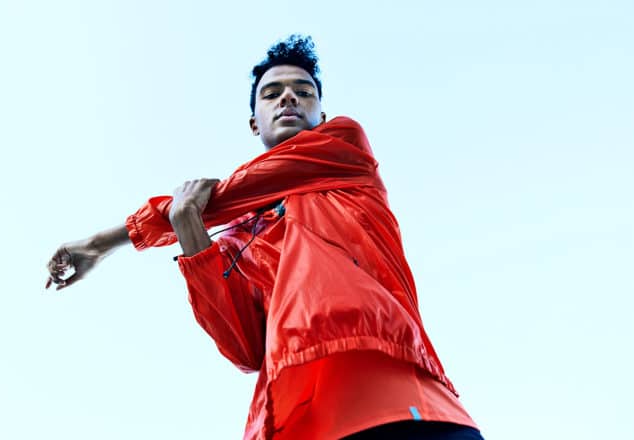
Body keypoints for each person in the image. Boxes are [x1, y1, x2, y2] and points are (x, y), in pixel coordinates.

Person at [45, 35, 484, 440]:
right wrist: (192, 234)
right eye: (271, 94)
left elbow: (226, 194)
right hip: (301, 423)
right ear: (254, 122)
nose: (288, 97)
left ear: (322, 115)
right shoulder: (238, 237)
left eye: (303, 90)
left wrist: (102, 242)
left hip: (407, 408)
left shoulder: (345, 149)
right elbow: (246, 349)